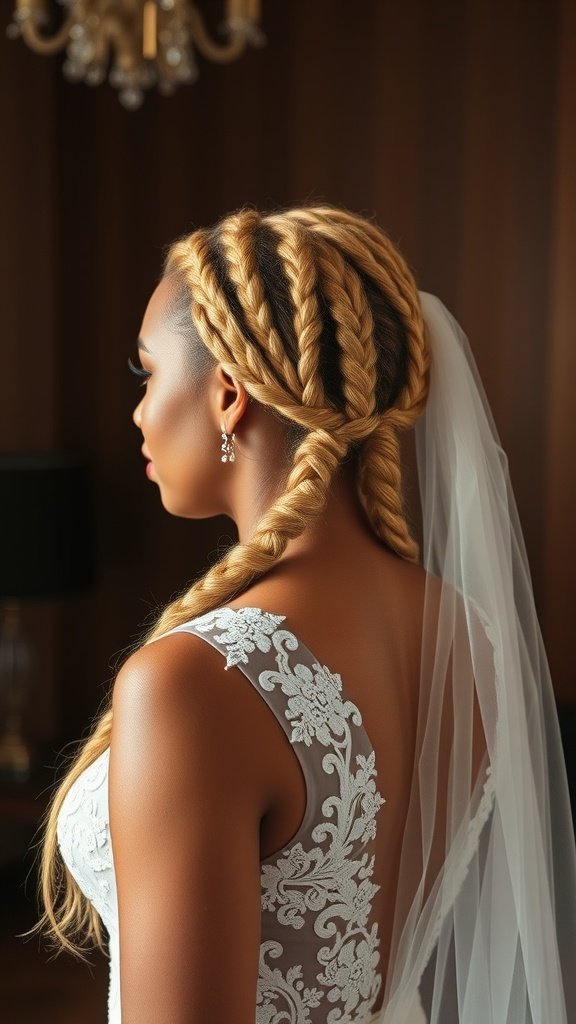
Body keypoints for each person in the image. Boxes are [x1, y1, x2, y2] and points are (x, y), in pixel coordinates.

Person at [25, 204, 575, 1023]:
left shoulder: (192, 682)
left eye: (147, 373)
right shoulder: (470, 638)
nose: (138, 411)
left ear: (227, 393)